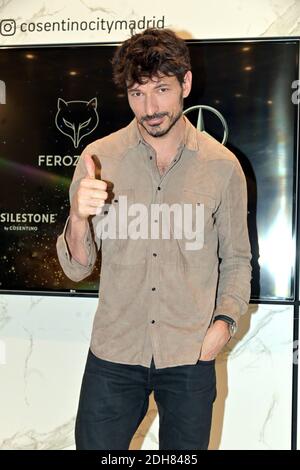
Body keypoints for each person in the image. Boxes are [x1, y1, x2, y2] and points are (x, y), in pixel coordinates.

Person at [56, 28, 252, 450]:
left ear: (186, 83)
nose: (151, 108)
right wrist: (77, 215)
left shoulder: (222, 166)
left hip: (189, 355)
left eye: (162, 89)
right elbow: (76, 266)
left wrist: (223, 325)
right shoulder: (98, 158)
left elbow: (237, 259)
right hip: (114, 353)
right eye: (138, 93)